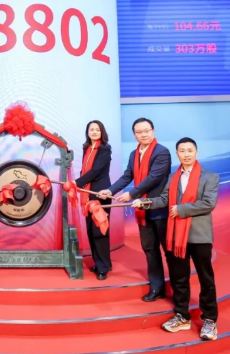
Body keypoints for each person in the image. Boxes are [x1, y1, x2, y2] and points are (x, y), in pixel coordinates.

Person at [132, 137, 220, 341]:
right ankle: (182, 315)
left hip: (199, 236)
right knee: (179, 277)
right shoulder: (172, 177)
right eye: (182, 151)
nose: (186, 154)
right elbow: (164, 200)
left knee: (206, 279)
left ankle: (209, 319)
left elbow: (209, 203)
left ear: (196, 153)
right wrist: (144, 202)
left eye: (190, 150)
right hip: (175, 236)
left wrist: (180, 209)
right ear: (177, 154)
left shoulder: (210, 177)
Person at [99, 118, 171, 302]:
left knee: (168, 250)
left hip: (159, 207)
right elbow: (127, 176)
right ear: (134, 135)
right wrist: (110, 191)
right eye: (139, 132)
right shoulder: (134, 154)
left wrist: (131, 194)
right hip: (142, 209)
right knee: (150, 249)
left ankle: (178, 288)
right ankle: (157, 287)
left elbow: (153, 178)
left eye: (147, 131)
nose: (143, 134)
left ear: (153, 131)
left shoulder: (162, 152)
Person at [75, 120, 112, 280]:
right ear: (87, 132)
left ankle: (103, 267)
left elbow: (96, 171)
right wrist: (79, 183)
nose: (95, 132)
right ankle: (100, 262)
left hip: (100, 193)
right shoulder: (87, 148)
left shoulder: (105, 149)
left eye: (97, 129)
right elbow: (85, 170)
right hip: (87, 193)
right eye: (92, 129)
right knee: (91, 230)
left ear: (102, 132)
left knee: (99, 230)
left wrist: (77, 183)